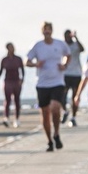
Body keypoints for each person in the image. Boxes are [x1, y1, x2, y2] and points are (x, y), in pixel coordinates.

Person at [26, 22, 70, 152]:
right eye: (45, 30)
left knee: (55, 108)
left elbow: (68, 55)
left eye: (49, 29)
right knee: (45, 113)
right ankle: (49, 140)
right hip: (42, 83)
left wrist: (65, 65)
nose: (47, 32)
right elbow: (27, 61)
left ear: (52, 31)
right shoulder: (37, 46)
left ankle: (56, 133)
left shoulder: (60, 44)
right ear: (42, 31)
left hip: (57, 82)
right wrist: (35, 64)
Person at [0, 43, 24, 127]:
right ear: (7, 49)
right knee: (7, 100)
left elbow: (22, 70)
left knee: (17, 100)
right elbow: (0, 71)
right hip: (7, 81)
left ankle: (17, 119)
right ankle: (6, 118)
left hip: (16, 81)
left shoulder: (18, 59)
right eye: (10, 48)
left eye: (13, 47)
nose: (12, 49)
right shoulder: (4, 60)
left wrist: (22, 79)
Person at [62, 30, 85, 126]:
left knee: (75, 96)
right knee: (62, 95)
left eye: (69, 36)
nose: (68, 38)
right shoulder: (62, 45)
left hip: (76, 73)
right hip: (65, 73)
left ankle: (73, 117)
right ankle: (65, 111)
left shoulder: (76, 45)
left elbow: (82, 49)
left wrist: (76, 38)